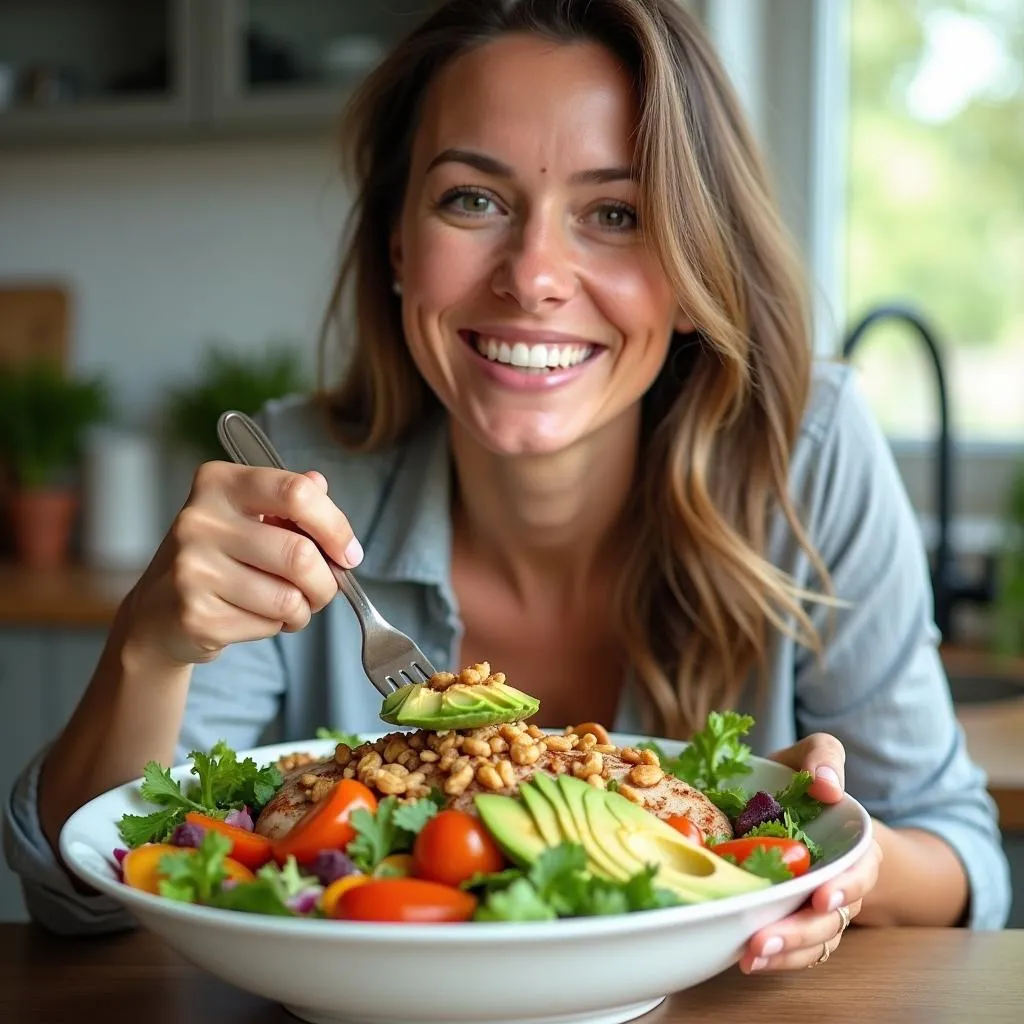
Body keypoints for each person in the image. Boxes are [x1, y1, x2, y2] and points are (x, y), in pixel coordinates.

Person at [3, 0, 1010, 971]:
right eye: (471, 199)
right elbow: (76, 893)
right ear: (399, 242)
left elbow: (963, 857)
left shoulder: (808, 453)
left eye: (614, 212)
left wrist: (842, 857)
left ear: (696, 267)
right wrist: (150, 643)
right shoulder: (299, 478)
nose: (532, 275)